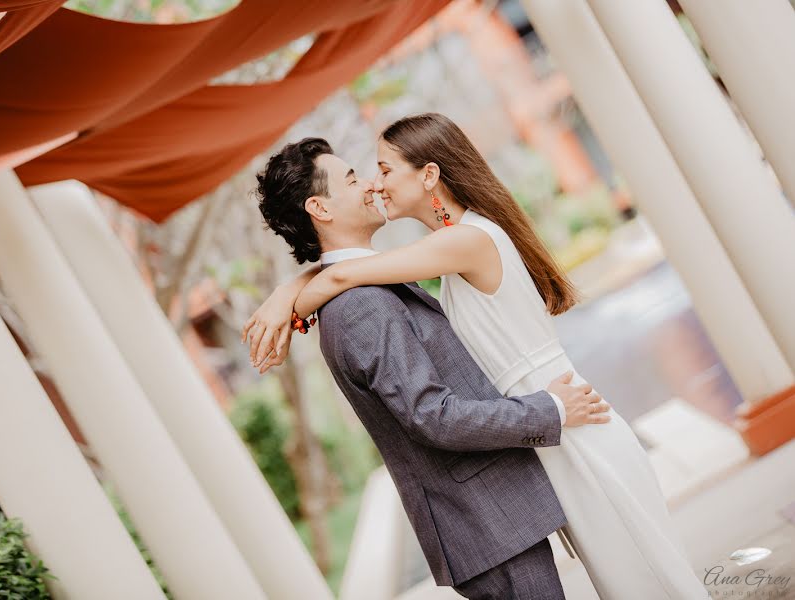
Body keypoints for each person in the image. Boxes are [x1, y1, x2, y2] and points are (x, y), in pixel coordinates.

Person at [244, 115, 709, 599]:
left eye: (381, 169)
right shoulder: (390, 284)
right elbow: (348, 280)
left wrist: (286, 299)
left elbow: (341, 275)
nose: (373, 184)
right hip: (552, 427)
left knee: (647, 581)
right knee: (632, 581)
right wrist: (293, 292)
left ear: (427, 175)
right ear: (319, 205)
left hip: (572, 423)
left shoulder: (461, 242)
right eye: (358, 176)